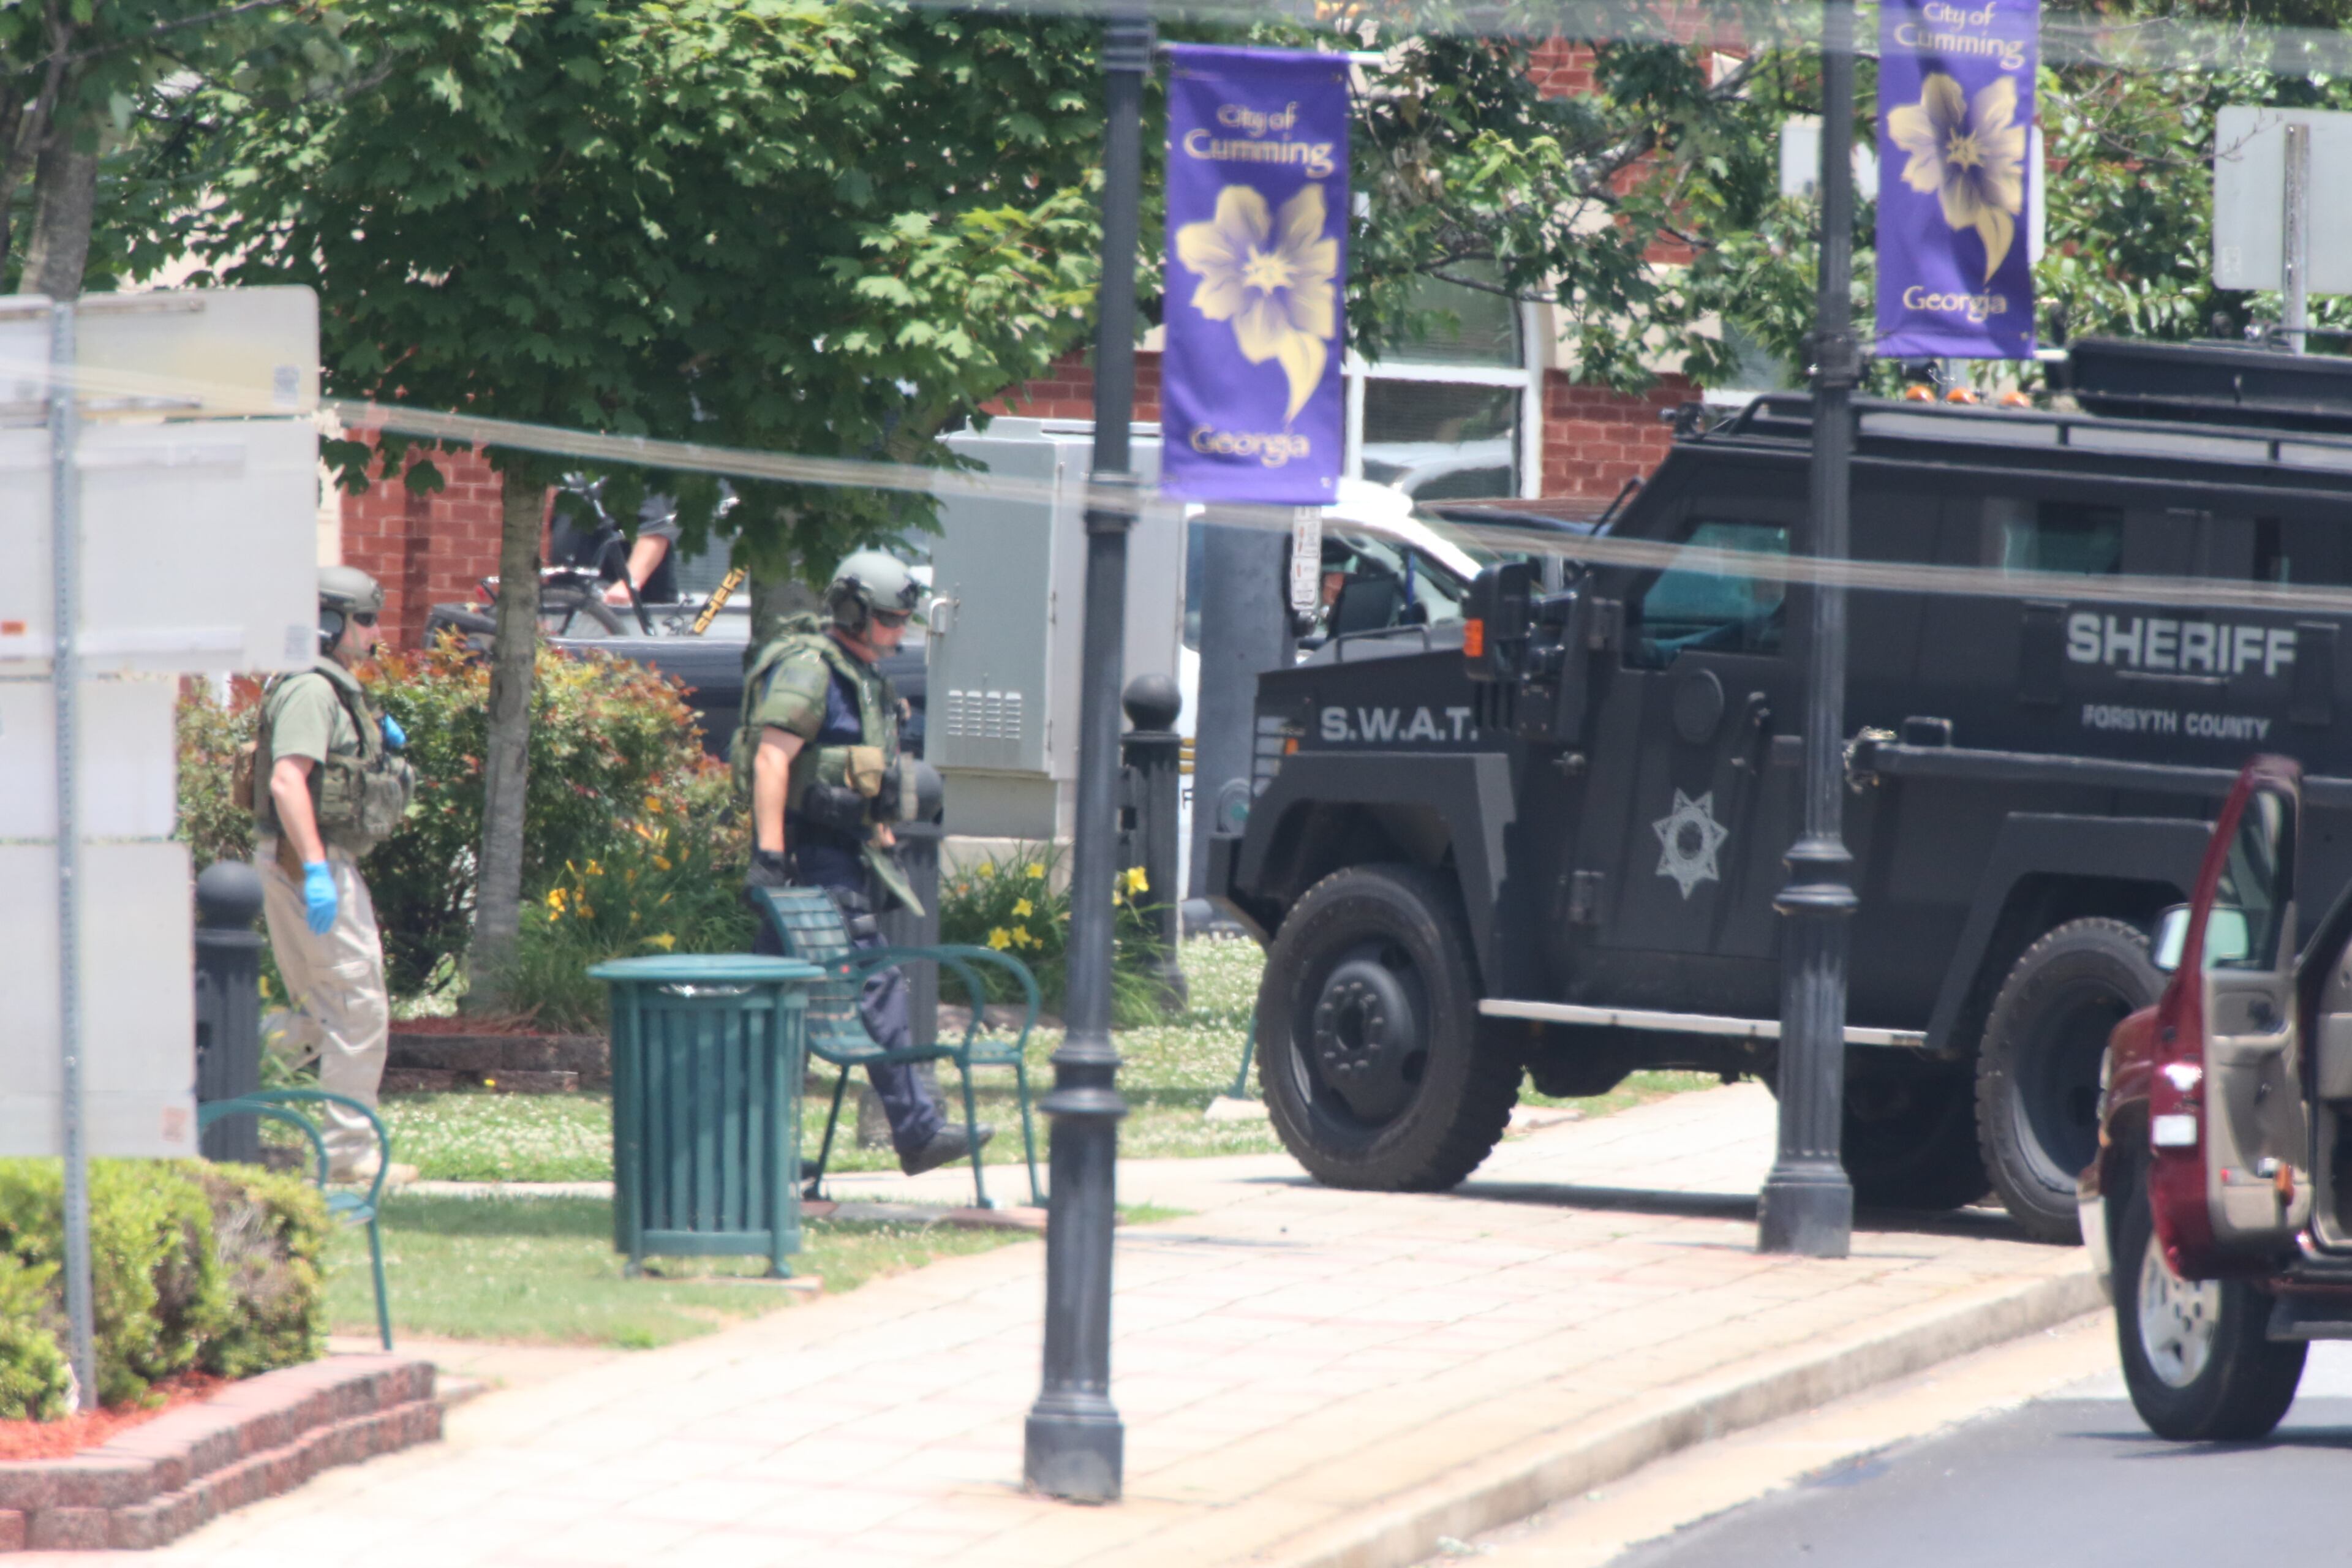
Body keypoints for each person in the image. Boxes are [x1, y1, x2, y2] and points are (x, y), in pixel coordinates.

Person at [734, 549, 988, 1177]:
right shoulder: (811, 669)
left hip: (841, 854)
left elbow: (861, 768)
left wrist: (878, 830)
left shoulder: (862, 676)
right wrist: (770, 855)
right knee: (874, 981)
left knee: (770, 1004)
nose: (900, 630)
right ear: (853, 611)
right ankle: (917, 1131)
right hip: (810, 859)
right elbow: (772, 757)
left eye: (903, 620)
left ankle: (753, 1151)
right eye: (889, 618)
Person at [252, 567, 418, 1183]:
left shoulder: (327, 687)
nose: (375, 632)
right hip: (310, 865)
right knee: (356, 1008)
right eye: (365, 619)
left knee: (319, 1015)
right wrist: (318, 870)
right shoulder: (311, 689)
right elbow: (286, 780)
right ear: (327, 621)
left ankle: (201, 1058)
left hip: (309, 862)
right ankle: (347, 1155)